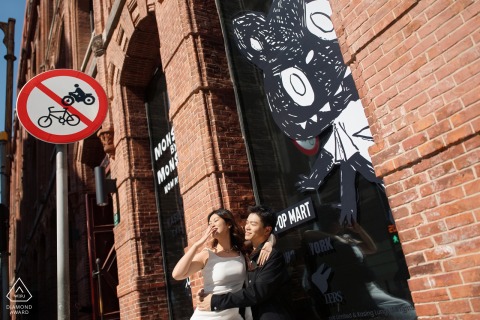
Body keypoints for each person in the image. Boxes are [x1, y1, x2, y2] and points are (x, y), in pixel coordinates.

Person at [172, 208, 272, 320]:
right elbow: (177, 274)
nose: (212, 225)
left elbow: (263, 237)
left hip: (233, 314)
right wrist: (197, 245)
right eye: (209, 223)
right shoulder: (207, 254)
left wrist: (270, 242)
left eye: (215, 220)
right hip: (208, 314)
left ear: (228, 224)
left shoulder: (241, 251)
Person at [197, 205, 293, 320]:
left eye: (253, 224)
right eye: (247, 223)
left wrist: (216, 301)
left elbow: (257, 292)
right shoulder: (244, 253)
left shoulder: (273, 256)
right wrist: (209, 290)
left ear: (267, 230)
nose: (246, 227)